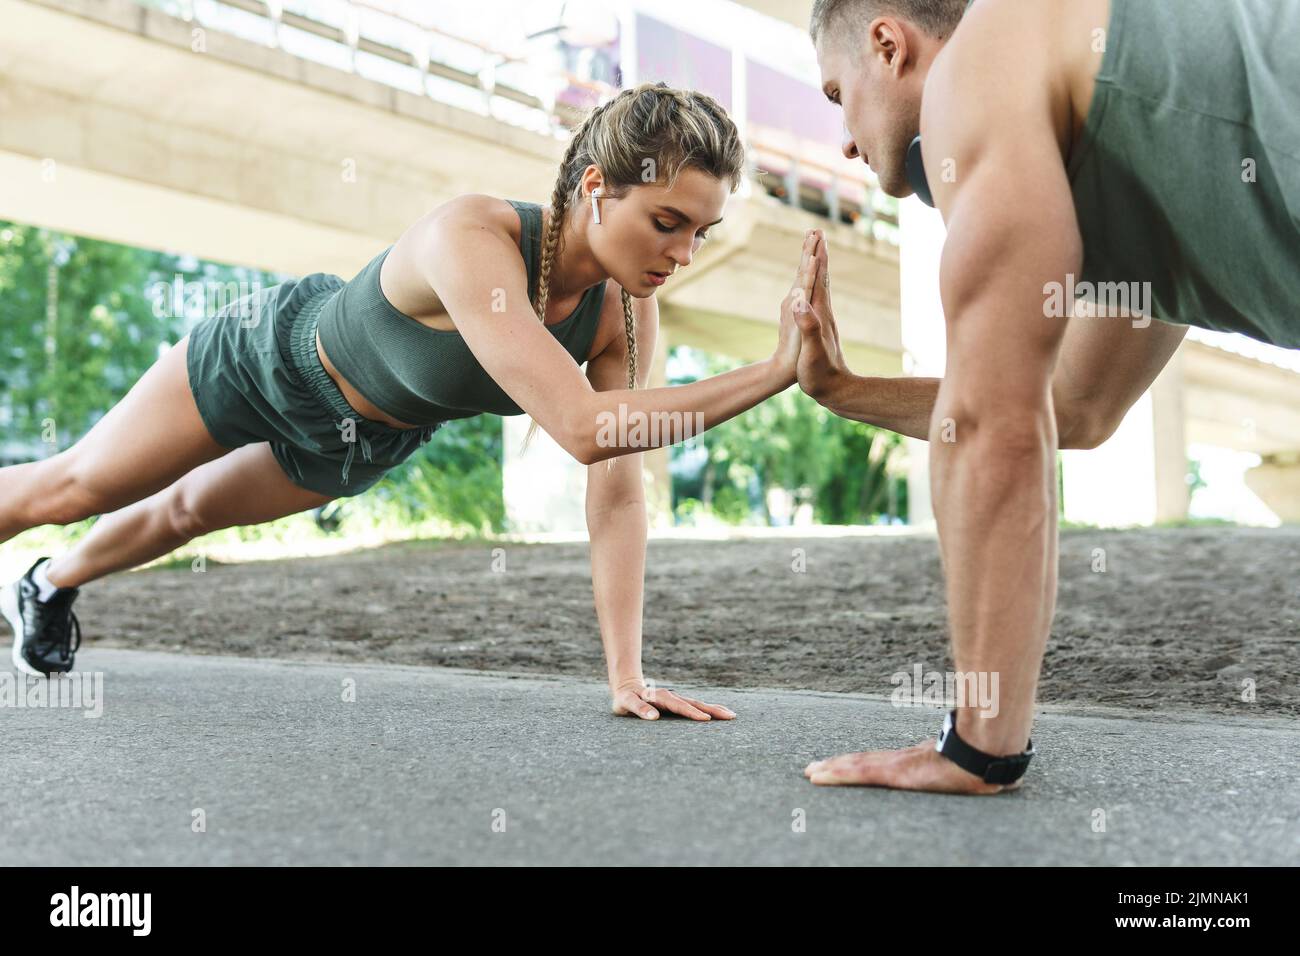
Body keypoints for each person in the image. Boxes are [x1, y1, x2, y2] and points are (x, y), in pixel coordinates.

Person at [1, 82, 825, 724]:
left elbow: (615, 482)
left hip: (362, 442)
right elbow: (580, 429)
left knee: (186, 516)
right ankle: (45, 553)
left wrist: (626, 674)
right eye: (667, 222)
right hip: (267, 358)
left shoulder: (623, 312)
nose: (681, 254)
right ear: (598, 186)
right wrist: (774, 370)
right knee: (77, 487)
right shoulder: (474, 235)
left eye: (700, 234)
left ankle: (47, 585)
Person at [796, 0, 1299, 793]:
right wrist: (844, 391)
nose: (847, 140)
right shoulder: (1110, 134)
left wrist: (977, 749)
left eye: (836, 96)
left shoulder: (978, 67)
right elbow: (1073, 405)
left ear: (888, 46)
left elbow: (991, 422)